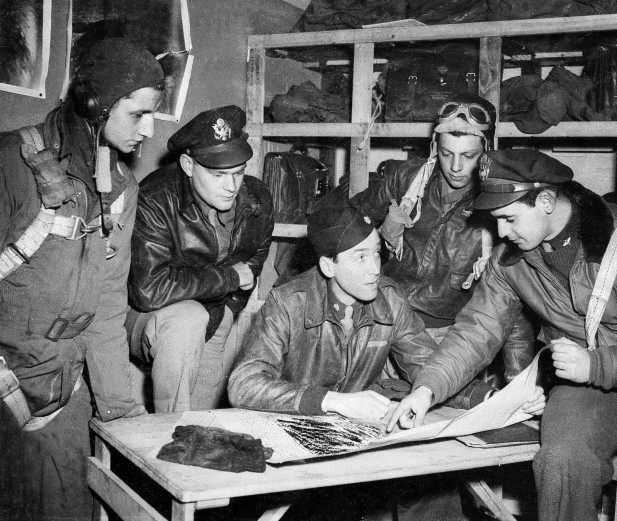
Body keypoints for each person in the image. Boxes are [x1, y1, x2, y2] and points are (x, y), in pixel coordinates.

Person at [389, 149, 617, 521]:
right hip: (589, 384)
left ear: (545, 201)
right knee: (561, 459)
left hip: (613, 369)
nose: (500, 232)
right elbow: (477, 330)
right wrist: (427, 388)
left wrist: (596, 364)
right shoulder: (510, 261)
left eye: (509, 218)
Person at [0, 37, 164, 521]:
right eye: (138, 114)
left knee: (75, 507)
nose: (150, 130)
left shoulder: (121, 192)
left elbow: (109, 305)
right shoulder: (12, 160)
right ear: (96, 104)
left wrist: (120, 412)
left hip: (62, 386)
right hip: (5, 373)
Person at [352, 93, 535, 389]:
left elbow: (512, 303)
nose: (456, 167)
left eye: (469, 156)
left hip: (442, 340)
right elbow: (343, 224)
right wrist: (375, 234)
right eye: (448, 153)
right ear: (435, 146)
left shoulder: (501, 207)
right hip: (381, 322)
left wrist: (519, 386)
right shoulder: (406, 180)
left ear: (486, 151)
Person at [227, 190, 438, 420]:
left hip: (355, 429)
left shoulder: (390, 300)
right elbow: (244, 384)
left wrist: (482, 396)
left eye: (376, 253)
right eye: (361, 257)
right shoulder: (288, 303)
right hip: (292, 422)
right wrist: (331, 401)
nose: (376, 269)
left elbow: (431, 367)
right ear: (329, 267)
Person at [127, 106, 273, 413]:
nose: (232, 186)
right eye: (219, 174)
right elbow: (148, 290)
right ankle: (166, 436)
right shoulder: (156, 197)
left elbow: (254, 263)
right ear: (189, 165)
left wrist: (227, 315)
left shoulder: (257, 198)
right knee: (188, 319)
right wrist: (230, 279)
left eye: (238, 172)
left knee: (204, 420)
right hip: (151, 317)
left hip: (216, 313)